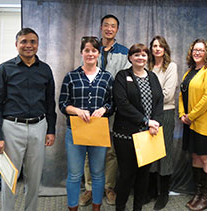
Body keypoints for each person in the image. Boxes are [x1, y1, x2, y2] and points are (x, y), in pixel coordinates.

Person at [0, 27, 57, 211]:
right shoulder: (5, 69)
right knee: (9, 177)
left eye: (32, 41)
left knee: (34, 178)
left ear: (38, 44)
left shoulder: (45, 69)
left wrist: (51, 130)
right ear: (16, 44)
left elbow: (50, 102)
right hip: (11, 128)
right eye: (24, 41)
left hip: (39, 127)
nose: (28, 45)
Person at [81, 14, 130, 206]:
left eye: (113, 26)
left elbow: (125, 81)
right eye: (106, 25)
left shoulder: (124, 52)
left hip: (113, 110)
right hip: (90, 110)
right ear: (101, 27)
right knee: (88, 150)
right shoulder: (92, 47)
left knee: (111, 151)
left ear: (117, 30)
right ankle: (90, 188)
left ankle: (109, 187)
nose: (109, 29)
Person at [59, 36, 113, 211]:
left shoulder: (107, 77)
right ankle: (73, 208)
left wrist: (104, 109)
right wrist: (76, 110)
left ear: (99, 54)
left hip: (98, 131)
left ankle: (96, 208)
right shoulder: (71, 76)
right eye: (87, 50)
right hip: (75, 131)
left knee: (98, 174)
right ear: (82, 52)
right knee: (75, 175)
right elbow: (62, 104)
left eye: (94, 50)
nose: (90, 53)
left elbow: (112, 103)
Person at [112, 43, 163, 211]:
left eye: (143, 55)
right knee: (126, 175)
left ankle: (137, 208)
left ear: (147, 57)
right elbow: (122, 104)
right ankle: (120, 207)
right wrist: (146, 121)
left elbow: (159, 101)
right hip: (126, 135)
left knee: (143, 175)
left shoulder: (153, 77)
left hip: (149, 135)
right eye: (136, 55)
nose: (140, 57)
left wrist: (155, 122)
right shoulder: (122, 76)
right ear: (130, 58)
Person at [178, 39, 207, 210]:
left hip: (205, 124)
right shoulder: (189, 72)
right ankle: (198, 193)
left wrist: (191, 116)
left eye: (201, 50)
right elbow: (182, 94)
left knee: (206, 158)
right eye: (195, 50)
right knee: (195, 156)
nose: (197, 52)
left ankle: (206, 197)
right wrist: (183, 114)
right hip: (190, 123)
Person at [145, 35, 178, 210]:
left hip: (165, 113)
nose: (157, 48)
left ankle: (163, 193)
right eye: (154, 46)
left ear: (165, 49)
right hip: (147, 115)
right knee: (150, 153)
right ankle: (150, 191)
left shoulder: (171, 67)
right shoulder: (147, 66)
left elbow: (168, 94)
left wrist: (146, 98)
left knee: (164, 154)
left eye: (160, 46)